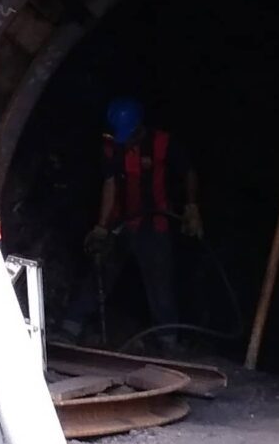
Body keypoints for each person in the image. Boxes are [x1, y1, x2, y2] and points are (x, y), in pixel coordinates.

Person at [86, 97, 200, 336]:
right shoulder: (111, 147)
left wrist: (191, 207)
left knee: (160, 283)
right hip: (121, 221)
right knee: (101, 270)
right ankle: (71, 325)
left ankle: (168, 340)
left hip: (155, 221)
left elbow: (188, 170)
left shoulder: (162, 142)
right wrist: (102, 226)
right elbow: (110, 184)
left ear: (140, 129)